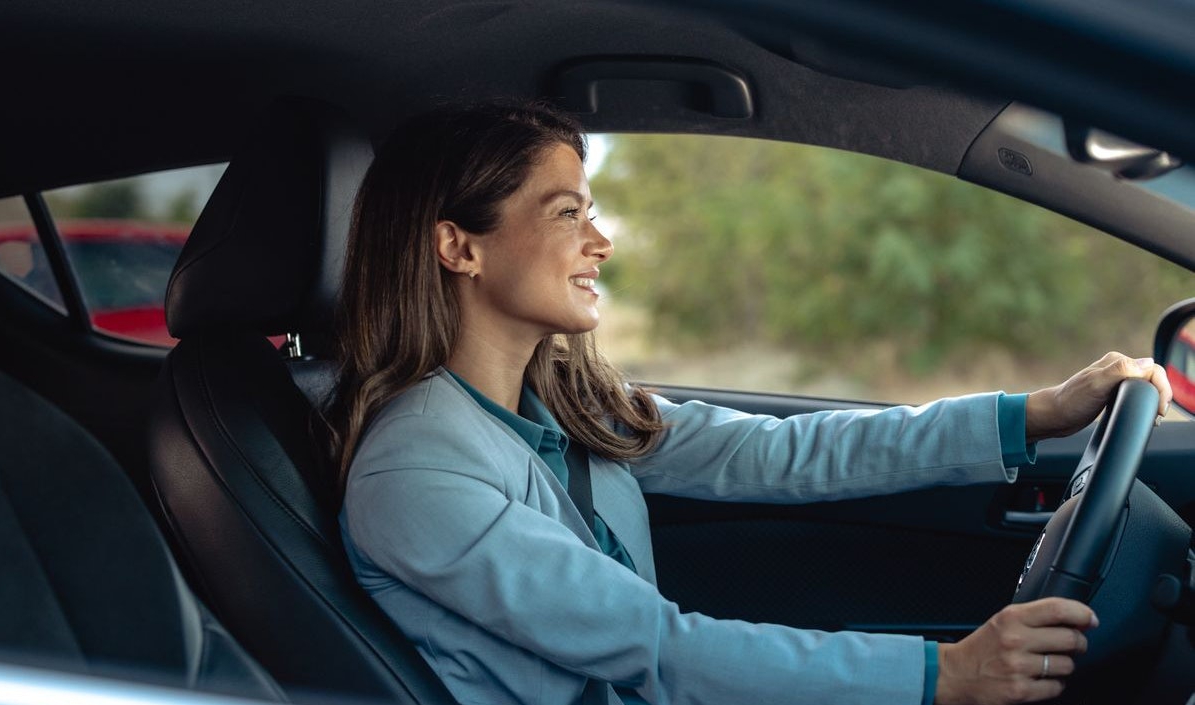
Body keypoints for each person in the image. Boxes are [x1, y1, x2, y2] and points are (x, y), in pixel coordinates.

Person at [326, 102, 1172, 705]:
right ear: (457, 246)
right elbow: (658, 647)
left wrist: (1031, 414)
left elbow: (777, 453)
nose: (601, 240)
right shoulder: (418, 465)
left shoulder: (558, 404)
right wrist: (943, 675)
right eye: (566, 212)